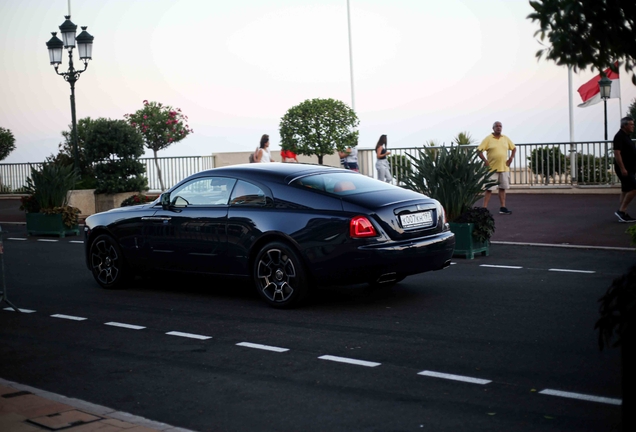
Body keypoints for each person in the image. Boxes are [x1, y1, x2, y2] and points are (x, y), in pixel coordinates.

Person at [477, 121, 516, 214]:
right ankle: (484, 208)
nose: (499, 127)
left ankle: (503, 207)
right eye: (497, 126)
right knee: (489, 189)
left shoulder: (505, 138)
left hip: (504, 167)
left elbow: (514, 148)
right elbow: (478, 151)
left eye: (500, 126)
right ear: (493, 128)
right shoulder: (488, 139)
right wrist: (485, 161)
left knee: (502, 188)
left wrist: (511, 158)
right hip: (492, 169)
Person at [613, 116, 636, 222]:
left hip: (629, 168)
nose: (633, 126)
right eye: (631, 124)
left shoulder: (626, 136)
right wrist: (622, 168)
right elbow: (617, 153)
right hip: (624, 168)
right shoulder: (619, 136)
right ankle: (621, 211)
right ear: (624, 125)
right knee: (633, 188)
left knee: (625, 189)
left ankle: (622, 213)